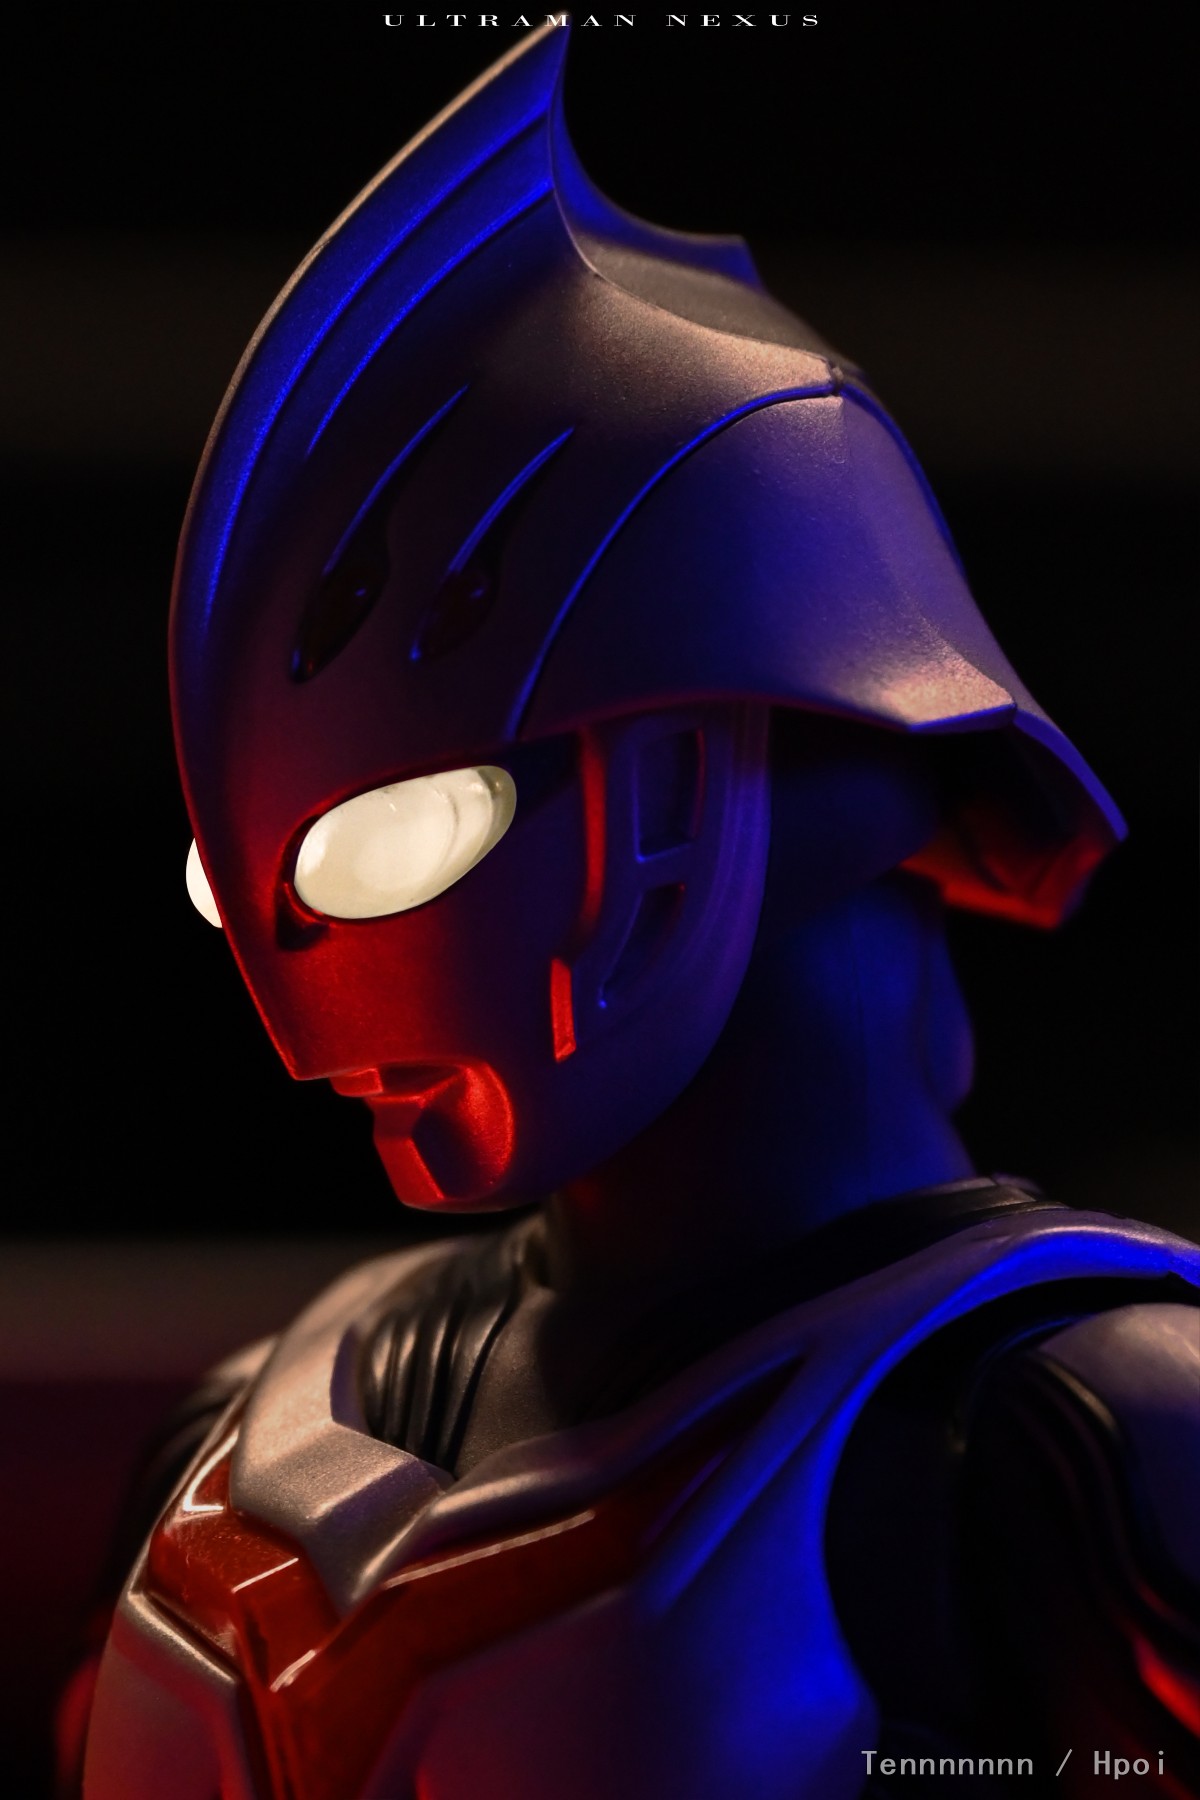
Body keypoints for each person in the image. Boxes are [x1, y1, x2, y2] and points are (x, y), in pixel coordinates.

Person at [80, 30, 1199, 1800]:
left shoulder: (1073, 1444)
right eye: (236, 884)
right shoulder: (243, 1441)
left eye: (395, 841)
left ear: (702, 776)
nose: (300, 974)